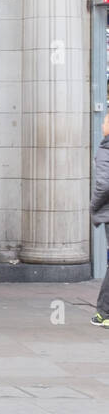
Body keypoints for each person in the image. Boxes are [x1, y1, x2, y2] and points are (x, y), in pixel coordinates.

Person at [91, 112, 109, 327]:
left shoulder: (106, 149)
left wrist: (93, 206)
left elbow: (103, 185)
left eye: (105, 121)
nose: (102, 124)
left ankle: (104, 313)